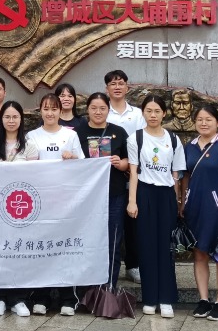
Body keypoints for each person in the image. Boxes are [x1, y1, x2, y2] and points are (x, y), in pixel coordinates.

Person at [181, 104, 218, 322]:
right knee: (199, 253)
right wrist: (182, 202)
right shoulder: (189, 147)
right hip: (195, 208)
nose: (203, 123)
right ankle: (204, 299)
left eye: (208, 119)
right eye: (200, 119)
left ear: (217, 122)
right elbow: (185, 177)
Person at [127, 95, 186, 318]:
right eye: (149, 111)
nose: (153, 115)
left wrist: (177, 202)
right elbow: (133, 172)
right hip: (144, 193)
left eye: (157, 111)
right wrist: (132, 201)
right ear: (143, 112)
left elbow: (176, 174)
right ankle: (150, 298)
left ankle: (166, 299)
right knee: (147, 246)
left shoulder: (173, 139)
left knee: (166, 248)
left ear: (164, 113)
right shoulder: (136, 138)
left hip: (166, 196)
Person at [26, 93, 84, 316]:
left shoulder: (70, 135)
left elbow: (83, 166)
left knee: (64, 248)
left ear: (61, 111)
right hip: (40, 202)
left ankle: (68, 297)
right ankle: (41, 297)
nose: (50, 113)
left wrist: (73, 158)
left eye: (54, 109)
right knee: (41, 248)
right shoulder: (32, 136)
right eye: (46, 108)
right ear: (40, 111)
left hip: (65, 201)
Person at [74, 93, 129, 295]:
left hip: (114, 195)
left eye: (102, 108)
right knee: (88, 241)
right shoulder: (77, 133)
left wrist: (120, 163)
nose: (98, 112)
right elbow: (72, 163)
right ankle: (86, 291)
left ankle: (108, 290)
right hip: (87, 198)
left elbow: (129, 162)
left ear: (108, 110)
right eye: (94, 108)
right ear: (87, 110)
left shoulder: (119, 132)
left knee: (113, 242)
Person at [0, 100, 37, 318]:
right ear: (1, 120)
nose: (11, 120)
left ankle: (18, 298)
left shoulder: (30, 146)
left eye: (15, 116)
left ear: (21, 119)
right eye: (7, 116)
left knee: (19, 251)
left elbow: (35, 176)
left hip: (21, 208)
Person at [103, 69, 146, 285]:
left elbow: (143, 141)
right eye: (113, 83)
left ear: (127, 87)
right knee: (111, 223)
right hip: (111, 176)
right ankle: (108, 266)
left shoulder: (137, 114)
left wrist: (131, 165)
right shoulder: (103, 111)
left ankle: (132, 265)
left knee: (133, 222)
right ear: (107, 89)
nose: (117, 87)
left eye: (121, 83)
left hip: (134, 172)